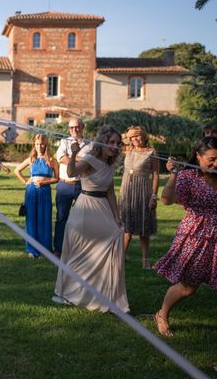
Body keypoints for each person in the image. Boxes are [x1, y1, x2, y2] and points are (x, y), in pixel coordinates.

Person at [153, 137, 217, 366]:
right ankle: (162, 314)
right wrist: (173, 175)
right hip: (197, 236)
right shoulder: (188, 177)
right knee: (188, 287)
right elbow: (167, 200)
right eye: (211, 159)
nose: (216, 164)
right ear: (198, 156)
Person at [53, 126, 129, 313]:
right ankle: (70, 292)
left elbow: (110, 191)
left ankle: (108, 294)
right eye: (111, 142)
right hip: (85, 208)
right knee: (81, 253)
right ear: (102, 141)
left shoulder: (110, 165)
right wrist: (73, 155)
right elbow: (71, 173)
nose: (115, 146)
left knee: (116, 235)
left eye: (118, 143)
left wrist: (117, 217)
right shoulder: (90, 159)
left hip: (102, 207)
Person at [118, 126, 159, 269]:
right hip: (127, 190)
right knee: (126, 227)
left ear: (144, 136)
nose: (135, 139)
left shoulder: (152, 152)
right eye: (132, 137)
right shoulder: (128, 150)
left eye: (138, 136)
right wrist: (129, 133)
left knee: (144, 227)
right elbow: (118, 139)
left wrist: (153, 196)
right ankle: (121, 257)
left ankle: (145, 261)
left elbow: (155, 175)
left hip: (142, 191)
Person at [14, 134, 58, 258]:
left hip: (45, 191)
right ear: (34, 144)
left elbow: (57, 178)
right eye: (37, 144)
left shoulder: (51, 160)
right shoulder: (31, 159)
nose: (40, 146)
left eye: (42, 143)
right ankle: (32, 250)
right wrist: (25, 182)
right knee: (31, 219)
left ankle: (45, 249)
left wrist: (44, 182)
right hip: (32, 191)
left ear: (46, 144)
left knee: (45, 218)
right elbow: (17, 170)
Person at [54, 117, 88, 255]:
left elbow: (91, 162)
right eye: (71, 127)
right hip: (65, 185)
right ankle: (58, 248)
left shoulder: (89, 144)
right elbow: (61, 158)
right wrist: (82, 161)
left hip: (82, 185)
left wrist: (73, 158)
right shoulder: (64, 141)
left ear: (82, 127)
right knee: (62, 217)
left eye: (76, 127)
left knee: (81, 219)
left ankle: (78, 249)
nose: (74, 130)